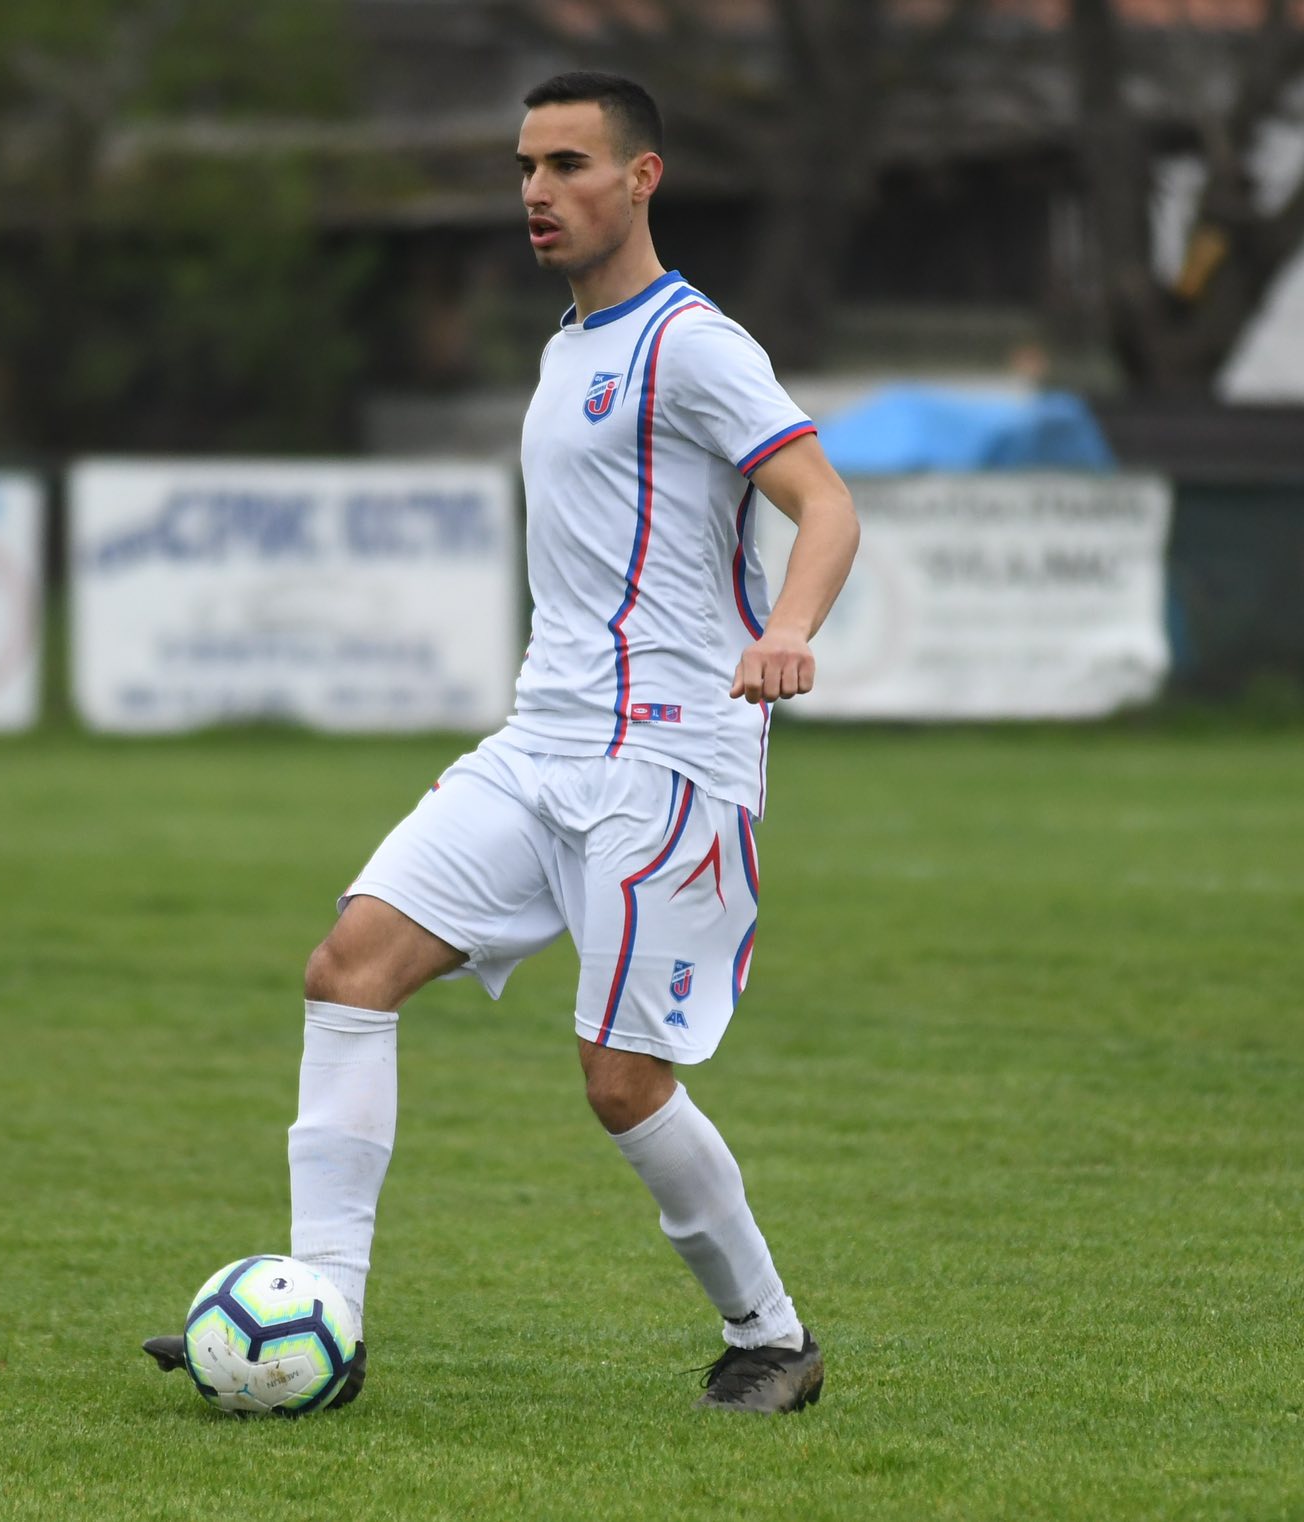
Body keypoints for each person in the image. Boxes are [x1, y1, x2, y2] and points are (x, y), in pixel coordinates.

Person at [146, 70, 859, 1414]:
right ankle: (321, 1315)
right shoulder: (567, 346)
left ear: (641, 178)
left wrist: (790, 630)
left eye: (569, 164)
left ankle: (771, 1335)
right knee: (349, 967)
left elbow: (824, 503)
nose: (537, 190)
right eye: (526, 166)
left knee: (622, 1082)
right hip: (540, 746)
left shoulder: (693, 344)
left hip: (666, 759)